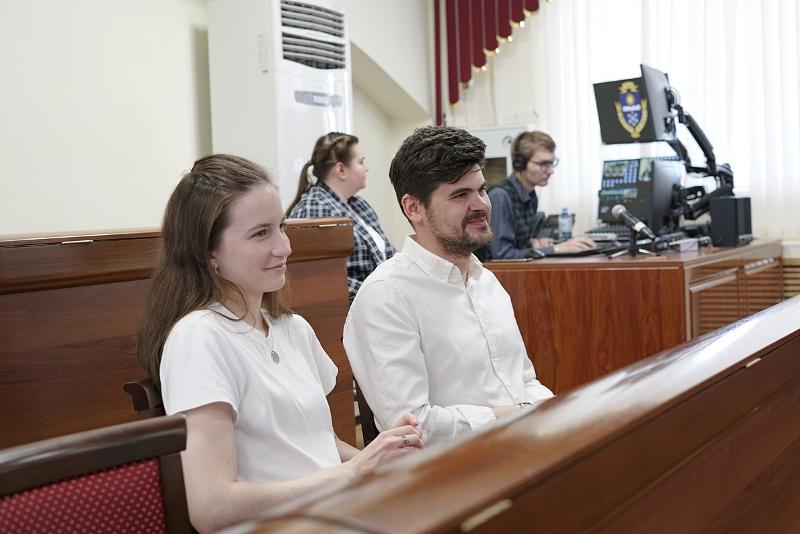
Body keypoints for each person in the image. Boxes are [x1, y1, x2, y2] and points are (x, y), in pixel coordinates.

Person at [137, 154, 423, 532]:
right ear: (208, 251)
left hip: (330, 516)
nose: (284, 247)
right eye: (261, 233)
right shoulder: (199, 338)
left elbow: (316, 445)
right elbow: (212, 506)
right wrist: (354, 471)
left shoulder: (292, 328)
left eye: (281, 227)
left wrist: (379, 457)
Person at [343, 127, 554, 447]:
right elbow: (414, 426)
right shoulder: (386, 296)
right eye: (460, 195)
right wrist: (520, 415)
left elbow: (524, 381)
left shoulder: (487, 282)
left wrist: (556, 411)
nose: (481, 205)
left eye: (481, 190)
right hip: (452, 470)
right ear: (414, 208)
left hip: (521, 449)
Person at [287, 132, 395, 301]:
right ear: (341, 170)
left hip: (382, 298)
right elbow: (318, 277)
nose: (366, 168)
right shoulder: (314, 208)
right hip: (354, 306)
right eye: (361, 162)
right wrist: (377, 292)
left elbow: (389, 256)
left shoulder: (359, 204)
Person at [487, 130, 595, 259]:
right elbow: (502, 255)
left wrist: (533, 243)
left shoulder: (531, 195)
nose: (550, 171)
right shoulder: (500, 197)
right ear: (520, 164)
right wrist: (557, 249)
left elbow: (518, 244)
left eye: (551, 163)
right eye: (543, 164)